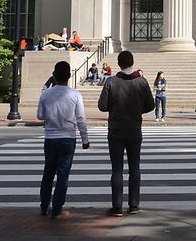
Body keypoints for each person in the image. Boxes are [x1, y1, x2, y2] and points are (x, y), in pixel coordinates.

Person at [97, 50, 155, 216]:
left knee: (116, 169)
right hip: (134, 127)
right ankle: (134, 204)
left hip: (115, 129)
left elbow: (102, 106)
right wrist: (137, 110)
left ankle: (117, 206)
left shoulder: (111, 81)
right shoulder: (141, 82)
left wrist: (114, 108)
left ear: (119, 63)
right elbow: (151, 105)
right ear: (132, 62)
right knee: (134, 167)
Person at [37, 61, 90, 219]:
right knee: (63, 174)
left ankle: (44, 206)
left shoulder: (46, 94)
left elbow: (40, 116)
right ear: (69, 76)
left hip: (50, 137)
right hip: (68, 137)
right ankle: (57, 208)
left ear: (54, 75)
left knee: (48, 173)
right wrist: (85, 139)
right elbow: (80, 119)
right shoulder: (75, 94)